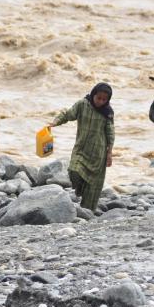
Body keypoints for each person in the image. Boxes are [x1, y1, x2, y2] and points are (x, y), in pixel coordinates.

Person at [49, 83, 115, 211]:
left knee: (92, 192)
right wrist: (55, 122)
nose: (100, 101)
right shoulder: (82, 105)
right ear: (93, 94)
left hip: (98, 154)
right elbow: (68, 114)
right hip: (81, 149)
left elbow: (110, 133)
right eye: (98, 98)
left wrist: (109, 153)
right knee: (74, 171)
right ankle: (79, 188)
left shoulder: (108, 113)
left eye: (104, 99)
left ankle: (87, 215)